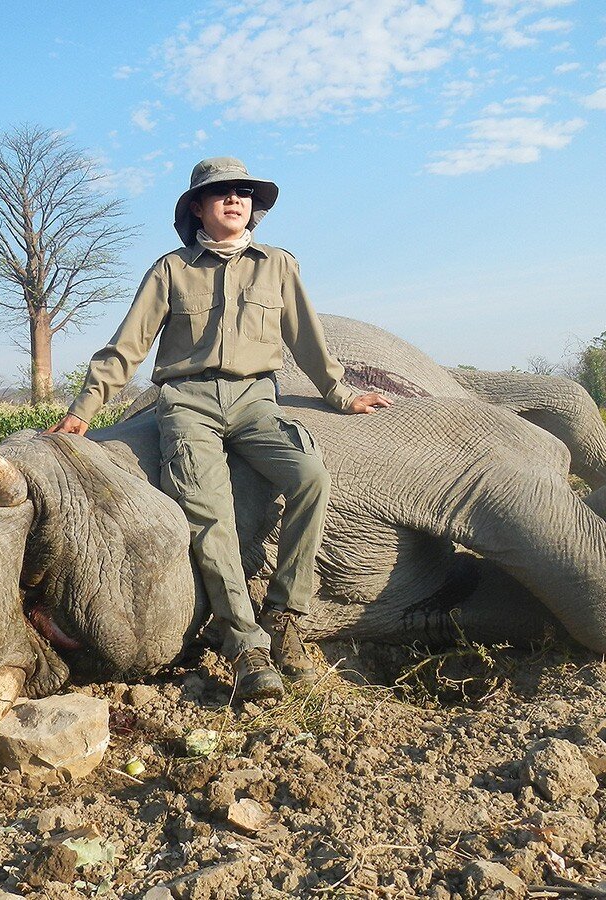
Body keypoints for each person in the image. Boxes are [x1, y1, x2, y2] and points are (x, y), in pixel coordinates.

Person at [48, 157, 390, 700]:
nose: (234, 199)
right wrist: (84, 409)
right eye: (221, 192)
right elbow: (127, 347)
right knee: (210, 515)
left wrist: (342, 394)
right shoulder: (170, 270)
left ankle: (286, 615)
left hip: (257, 399)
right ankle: (245, 643)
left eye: (243, 192)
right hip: (188, 402)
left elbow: (306, 337)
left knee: (310, 479)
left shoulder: (278, 265)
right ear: (198, 208)